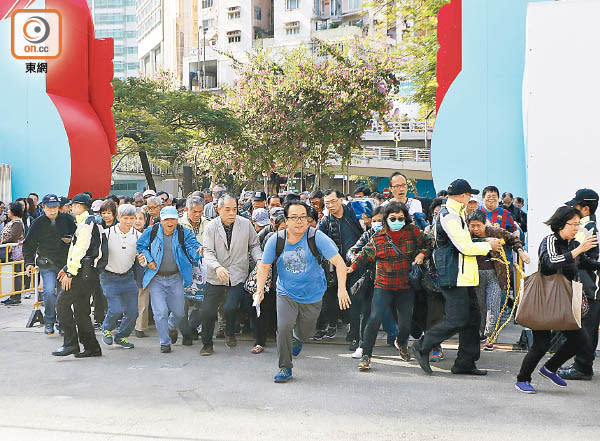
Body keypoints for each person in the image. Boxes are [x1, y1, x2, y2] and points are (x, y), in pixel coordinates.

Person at [412, 179, 502, 376]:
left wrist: (484, 240)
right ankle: (422, 346)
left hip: (463, 276)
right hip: (454, 276)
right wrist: (488, 245)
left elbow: (463, 243)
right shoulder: (451, 217)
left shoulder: (455, 213)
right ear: (461, 196)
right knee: (458, 319)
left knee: (472, 319)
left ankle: (465, 363)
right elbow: (465, 247)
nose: (471, 199)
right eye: (469, 195)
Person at [255, 200, 351, 383]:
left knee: (306, 332)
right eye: (294, 218)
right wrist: (259, 290)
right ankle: (285, 367)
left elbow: (339, 263)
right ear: (286, 220)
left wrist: (341, 289)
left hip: (313, 294)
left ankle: (298, 338)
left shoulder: (316, 237)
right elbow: (264, 266)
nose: (299, 221)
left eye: (303, 217)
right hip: (286, 292)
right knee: (283, 328)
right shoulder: (277, 240)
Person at [515, 206, 597, 394]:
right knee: (541, 344)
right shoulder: (550, 240)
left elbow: (584, 262)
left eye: (578, 224)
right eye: (573, 224)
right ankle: (522, 379)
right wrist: (577, 252)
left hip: (565, 299)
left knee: (581, 338)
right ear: (561, 224)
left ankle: (550, 368)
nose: (576, 228)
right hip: (545, 297)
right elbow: (550, 263)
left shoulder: (574, 244)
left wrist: (589, 257)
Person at [348, 202, 431, 371]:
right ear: (386, 219)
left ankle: (401, 342)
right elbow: (364, 254)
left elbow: (429, 242)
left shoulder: (413, 232)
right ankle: (367, 355)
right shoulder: (378, 237)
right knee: (374, 318)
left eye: (401, 218)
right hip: (383, 285)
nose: (397, 221)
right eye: (393, 218)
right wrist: (352, 267)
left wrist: (422, 254)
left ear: (406, 218)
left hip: (405, 285)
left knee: (405, 323)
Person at [200, 194, 262, 355]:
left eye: (234, 209)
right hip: (216, 275)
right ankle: (207, 344)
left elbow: (254, 245)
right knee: (207, 311)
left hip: (237, 274)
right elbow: (208, 251)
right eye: (227, 209)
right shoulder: (211, 227)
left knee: (230, 307)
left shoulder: (246, 224)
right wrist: (217, 267)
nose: (231, 213)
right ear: (218, 209)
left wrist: (260, 260)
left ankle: (230, 332)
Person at [136, 206, 201, 353]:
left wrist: (199, 252)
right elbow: (141, 246)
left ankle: (172, 326)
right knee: (160, 312)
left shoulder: (184, 232)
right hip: (156, 278)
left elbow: (193, 247)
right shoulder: (152, 231)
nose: (170, 222)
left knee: (179, 312)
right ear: (161, 220)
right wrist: (149, 258)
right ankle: (164, 342)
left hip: (176, 278)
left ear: (177, 220)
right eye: (166, 219)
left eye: (173, 219)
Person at [467, 209, 530, 350]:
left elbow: (513, 238)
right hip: (474, 276)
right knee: (480, 307)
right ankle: (480, 335)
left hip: (495, 275)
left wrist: (520, 251)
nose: (475, 229)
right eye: (472, 225)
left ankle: (490, 337)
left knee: (493, 306)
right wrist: (486, 241)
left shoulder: (495, 232)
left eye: (479, 225)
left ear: (485, 224)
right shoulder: (466, 235)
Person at [52, 193, 102, 358]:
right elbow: (79, 249)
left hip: (81, 273)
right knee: (81, 311)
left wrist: (70, 273)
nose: (71, 207)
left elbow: (80, 250)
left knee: (62, 305)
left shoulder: (87, 224)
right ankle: (91, 347)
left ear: (80, 206)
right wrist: (67, 267)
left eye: (73, 205)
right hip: (85, 272)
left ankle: (71, 344)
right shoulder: (86, 222)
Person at [346, 206, 399, 359]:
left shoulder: (397, 235)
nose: (376, 224)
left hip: (394, 280)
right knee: (367, 314)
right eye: (374, 221)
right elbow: (353, 250)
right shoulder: (367, 235)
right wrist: (353, 256)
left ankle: (400, 341)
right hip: (372, 281)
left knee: (398, 312)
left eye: (380, 221)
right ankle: (363, 346)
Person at [559, 189, 600, 381]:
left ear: (585, 208)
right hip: (589, 284)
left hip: (591, 285)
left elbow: (580, 256)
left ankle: (583, 367)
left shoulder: (588, 227)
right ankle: (582, 364)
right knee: (586, 325)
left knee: (587, 327)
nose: (571, 209)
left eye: (575, 206)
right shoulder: (586, 226)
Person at [23, 194, 77, 335]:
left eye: (55, 207)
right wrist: (28, 263)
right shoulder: (38, 222)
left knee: (62, 294)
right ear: (43, 207)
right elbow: (28, 244)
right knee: (48, 292)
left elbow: (78, 238)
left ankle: (62, 322)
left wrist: (70, 240)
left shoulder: (67, 219)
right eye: (49, 208)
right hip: (46, 262)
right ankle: (49, 321)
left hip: (65, 265)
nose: (53, 211)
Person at [314, 190, 363, 343]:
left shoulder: (353, 213)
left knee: (354, 297)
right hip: (334, 266)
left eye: (333, 201)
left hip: (355, 264)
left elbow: (364, 233)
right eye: (327, 202)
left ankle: (354, 333)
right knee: (333, 298)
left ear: (341, 200)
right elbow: (318, 240)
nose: (331, 205)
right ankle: (331, 325)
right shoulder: (325, 221)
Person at [97, 204, 141, 349]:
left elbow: (143, 255)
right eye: (125, 218)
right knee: (116, 309)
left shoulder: (138, 236)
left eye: (131, 218)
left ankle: (121, 336)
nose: (128, 221)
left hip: (128, 278)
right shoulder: (107, 233)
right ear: (118, 217)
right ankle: (106, 328)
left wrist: (144, 260)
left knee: (133, 312)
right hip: (109, 277)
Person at [0, 202, 26, 305]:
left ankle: (16, 297)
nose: (7, 211)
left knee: (16, 274)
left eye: (8, 210)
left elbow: (13, 237)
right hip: (11, 252)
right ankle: (13, 295)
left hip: (16, 253)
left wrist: (2, 242)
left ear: (13, 211)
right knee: (14, 274)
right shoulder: (13, 221)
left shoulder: (17, 223)